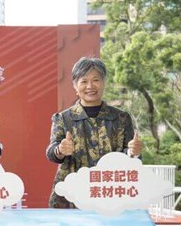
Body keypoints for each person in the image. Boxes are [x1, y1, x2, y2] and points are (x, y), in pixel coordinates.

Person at [46, 56, 142, 209]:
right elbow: (51, 152)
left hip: (110, 195)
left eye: (96, 80)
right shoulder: (63, 118)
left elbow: (131, 155)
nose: (90, 86)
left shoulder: (121, 118)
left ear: (104, 82)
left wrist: (133, 152)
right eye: (84, 81)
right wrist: (60, 150)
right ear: (75, 86)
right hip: (71, 198)